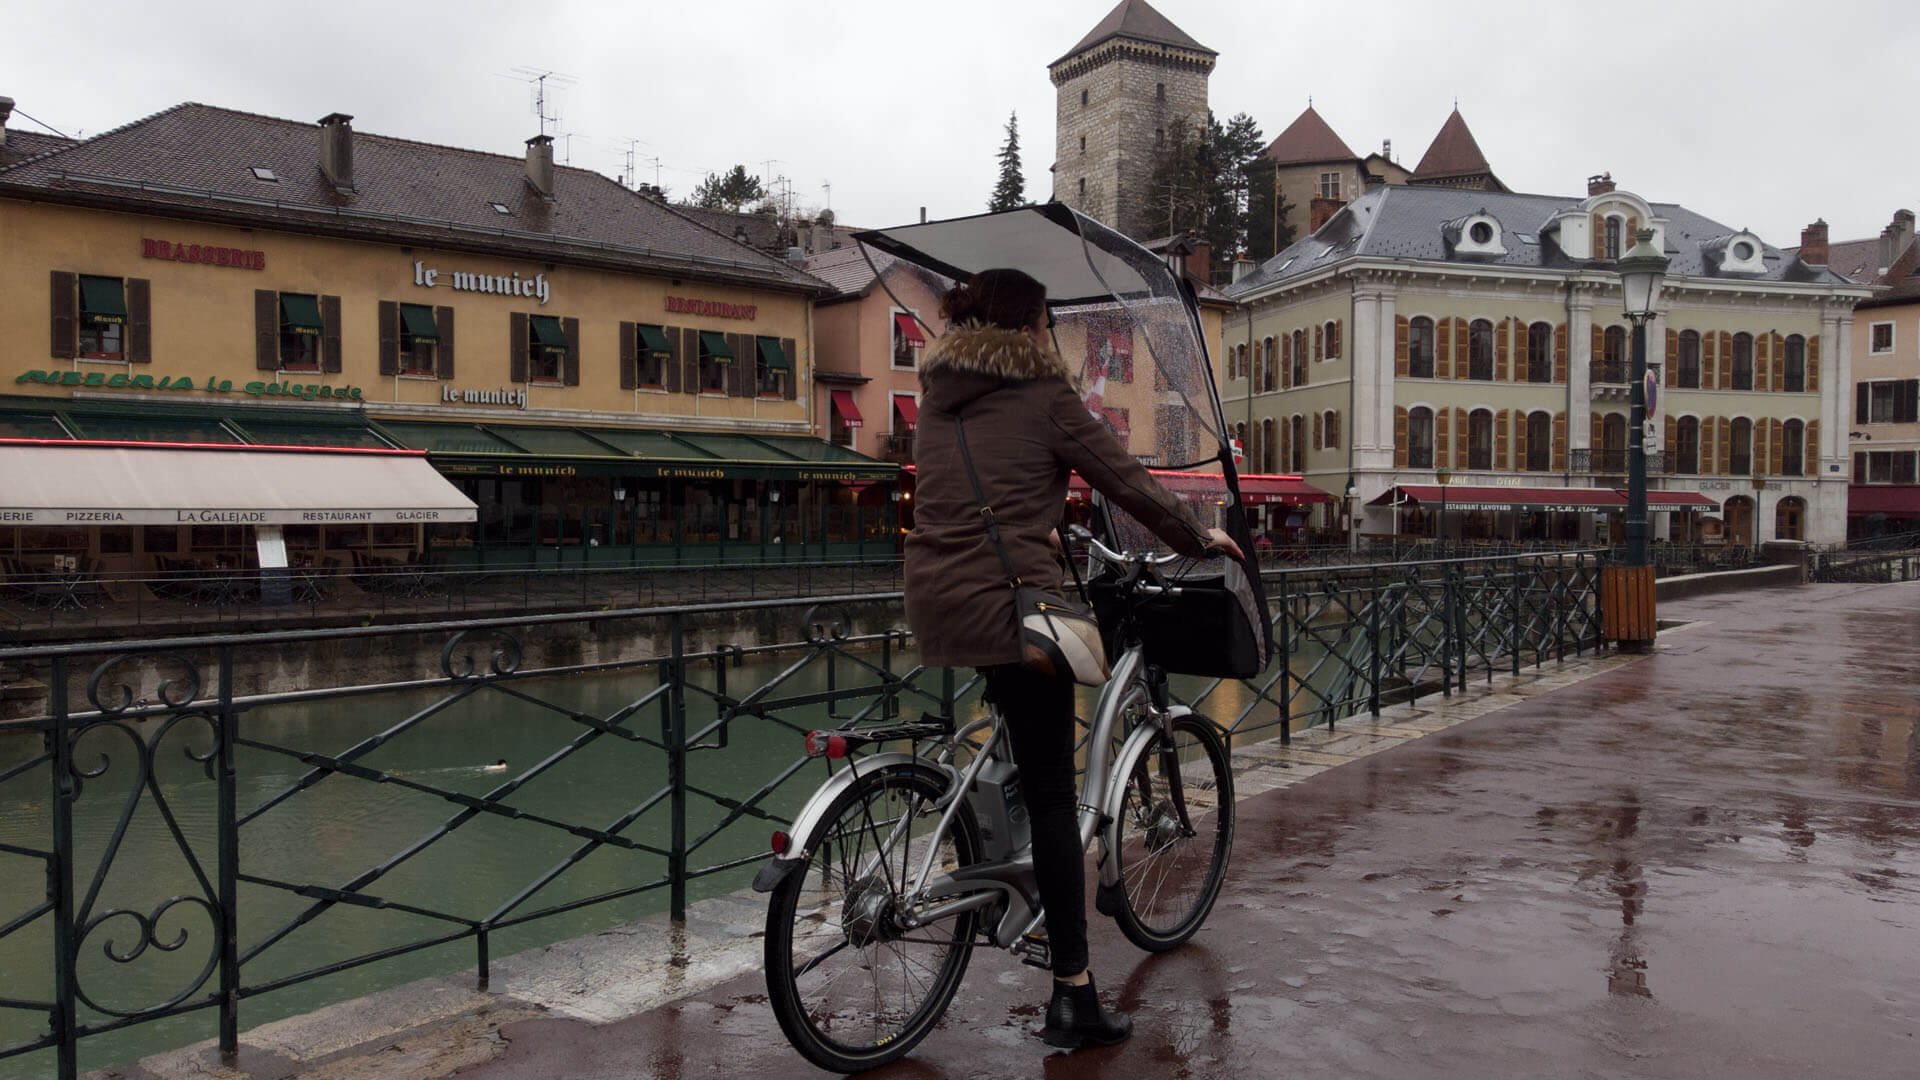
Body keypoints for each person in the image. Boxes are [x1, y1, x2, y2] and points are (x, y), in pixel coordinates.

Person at [903, 268, 1243, 1051]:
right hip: (1013, 602)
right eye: (1049, 321)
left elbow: (968, 494)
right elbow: (1125, 482)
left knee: (1020, 745)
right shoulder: (1042, 392)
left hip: (939, 597)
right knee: (1058, 799)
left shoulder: (939, 395)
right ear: (1030, 326)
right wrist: (1198, 535)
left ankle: (999, 865)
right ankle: (1074, 994)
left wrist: (1044, 530)